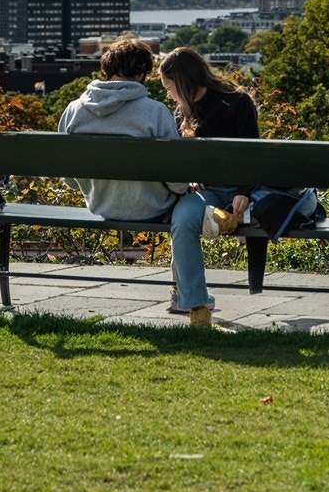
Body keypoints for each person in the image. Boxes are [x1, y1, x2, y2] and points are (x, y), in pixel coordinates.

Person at [158, 46, 259, 327]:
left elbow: (253, 154)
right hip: (206, 192)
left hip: (242, 191)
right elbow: (183, 161)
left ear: (184, 82)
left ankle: (225, 220)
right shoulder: (182, 113)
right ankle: (197, 306)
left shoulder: (237, 102)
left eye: (170, 87)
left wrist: (244, 190)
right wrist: (190, 178)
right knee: (183, 219)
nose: (169, 94)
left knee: (244, 210)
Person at [57, 36, 186, 221]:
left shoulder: (73, 110)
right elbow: (178, 182)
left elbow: (69, 180)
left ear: (106, 69)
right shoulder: (156, 111)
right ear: (142, 72)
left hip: (99, 208)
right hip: (153, 208)